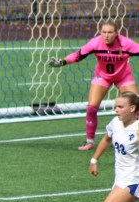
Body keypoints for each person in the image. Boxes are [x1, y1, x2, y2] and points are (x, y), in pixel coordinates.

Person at [48, 21, 139, 151]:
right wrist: (62, 62)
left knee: (136, 106)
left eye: (110, 32)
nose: (106, 35)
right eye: (104, 32)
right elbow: (78, 55)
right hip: (102, 77)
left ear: (116, 34)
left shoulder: (125, 43)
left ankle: (136, 136)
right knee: (91, 107)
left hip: (123, 77)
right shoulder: (95, 43)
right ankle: (89, 141)